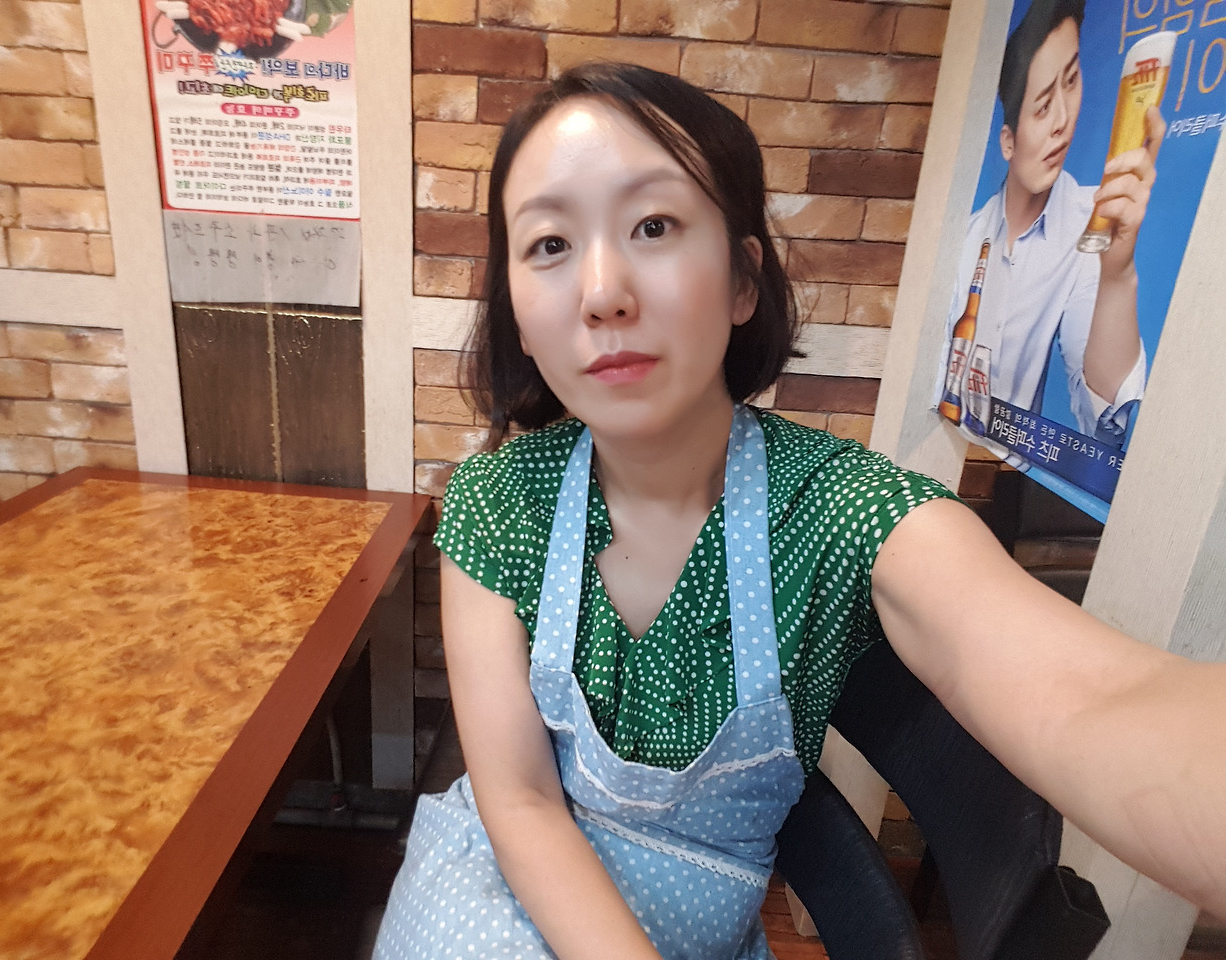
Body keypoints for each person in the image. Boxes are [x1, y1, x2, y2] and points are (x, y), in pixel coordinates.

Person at [372, 63, 1226, 960]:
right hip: (490, 897)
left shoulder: (838, 511)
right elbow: (519, 801)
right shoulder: (499, 502)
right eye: (549, 243)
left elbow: (1105, 698)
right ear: (515, 306)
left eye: (653, 225)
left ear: (744, 279)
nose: (601, 291)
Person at [942, 0, 1160, 443]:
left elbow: (1105, 420)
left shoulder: (1093, 220)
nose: (1063, 119)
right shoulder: (965, 236)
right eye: (1042, 107)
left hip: (1017, 464)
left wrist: (1117, 273)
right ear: (1008, 141)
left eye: (1072, 81)